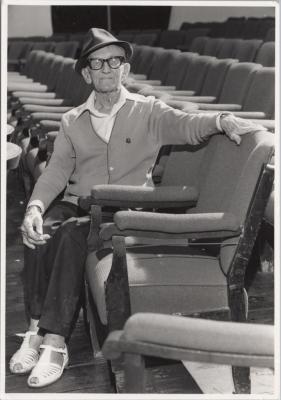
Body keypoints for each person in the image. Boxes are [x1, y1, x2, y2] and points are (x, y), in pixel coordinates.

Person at [9, 28, 266, 388]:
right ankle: (35, 330)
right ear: (87, 74)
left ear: (125, 70)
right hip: (79, 203)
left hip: (126, 211)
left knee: (68, 234)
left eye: (115, 61)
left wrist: (220, 119)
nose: (107, 69)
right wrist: (35, 206)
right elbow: (56, 171)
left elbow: (188, 125)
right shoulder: (71, 120)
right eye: (98, 63)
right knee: (39, 229)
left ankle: (54, 341)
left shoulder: (148, 111)